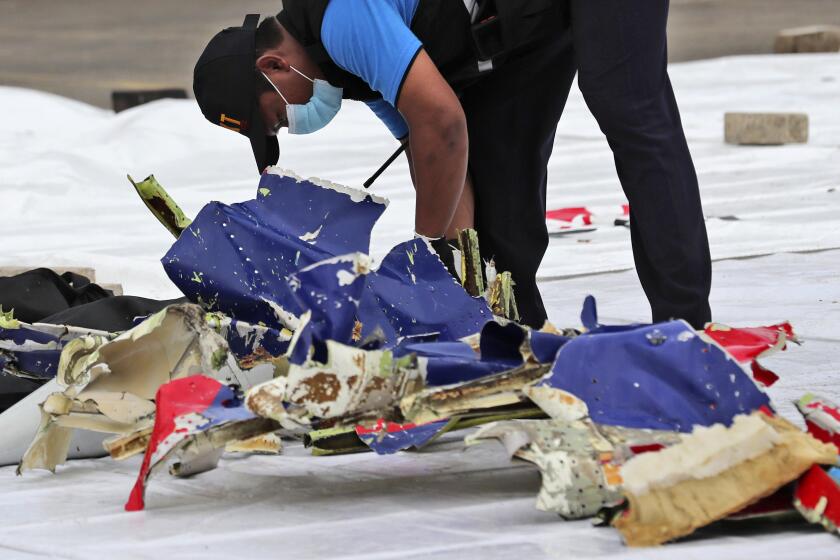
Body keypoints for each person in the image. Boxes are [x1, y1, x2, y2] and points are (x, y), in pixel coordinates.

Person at [193, 0, 712, 329]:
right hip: (520, 16)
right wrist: (456, 276)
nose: (292, 126)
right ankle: (514, 334)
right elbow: (434, 154)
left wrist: (422, 252)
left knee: (626, 106)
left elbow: (443, 124)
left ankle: (686, 328)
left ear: (274, 66)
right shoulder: (341, 69)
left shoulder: (344, 16)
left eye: (278, 117)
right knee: (499, 171)